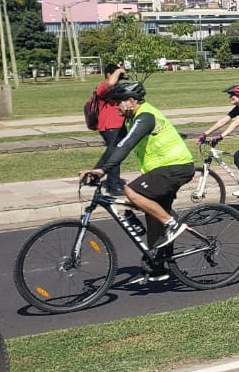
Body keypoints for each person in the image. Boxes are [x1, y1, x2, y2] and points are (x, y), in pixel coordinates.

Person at [78, 80, 195, 283]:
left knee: (132, 191)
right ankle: (158, 266)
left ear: (131, 101)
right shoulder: (132, 119)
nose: (116, 106)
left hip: (176, 167)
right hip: (161, 170)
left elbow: (127, 145)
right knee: (153, 217)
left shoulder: (146, 116)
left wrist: (103, 170)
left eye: (119, 102)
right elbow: (115, 146)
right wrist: (96, 169)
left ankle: (173, 224)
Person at [93, 63, 129, 197]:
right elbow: (110, 83)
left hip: (118, 125)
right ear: (109, 74)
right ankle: (112, 186)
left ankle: (107, 178)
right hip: (109, 126)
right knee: (115, 155)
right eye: (117, 75)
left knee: (115, 154)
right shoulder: (103, 86)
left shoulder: (116, 87)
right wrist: (119, 70)